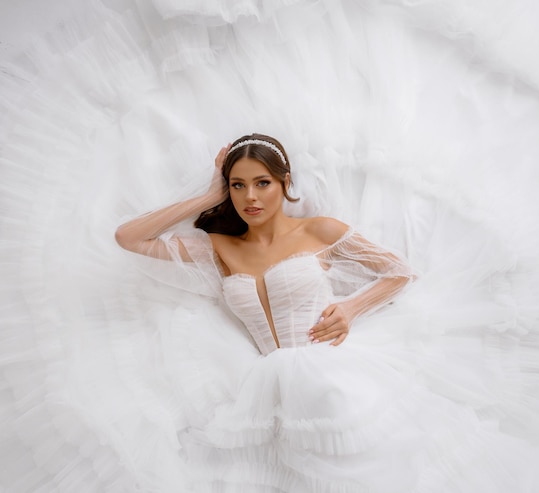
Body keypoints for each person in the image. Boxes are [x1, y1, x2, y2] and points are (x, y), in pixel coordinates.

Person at [115, 133, 425, 492]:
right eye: (238, 185)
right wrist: (209, 197)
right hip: (265, 396)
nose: (250, 197)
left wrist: (352, 307)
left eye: (262, 183)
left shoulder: (319, 230)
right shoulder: (220, 247)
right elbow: (129, 237)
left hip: (331, 373)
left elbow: (401, 273)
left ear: (285, 181)